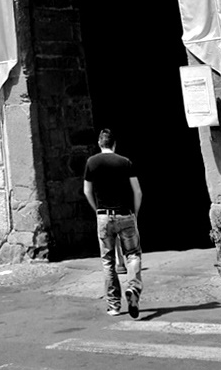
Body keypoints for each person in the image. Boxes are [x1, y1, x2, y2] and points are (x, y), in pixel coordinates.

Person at [83, 128, 142, 318]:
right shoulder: (125, 162)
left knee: (107, 261)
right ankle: (133, 288)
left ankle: (114, 305)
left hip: (103, 216)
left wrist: (97, 210)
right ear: (114, 144)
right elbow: (138, 191)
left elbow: (86, 191)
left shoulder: (91, 162)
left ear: (100, 144)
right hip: (125, 214)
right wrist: (136, 213)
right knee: (132, 254)